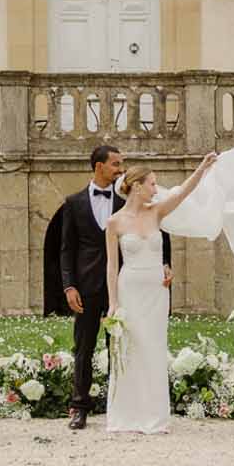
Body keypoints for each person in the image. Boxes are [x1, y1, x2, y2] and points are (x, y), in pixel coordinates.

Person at [103, 151, 219, 434]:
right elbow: (111, 265)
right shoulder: (114, 223)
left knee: (153, 349)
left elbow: (184, 192)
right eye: (152, 184)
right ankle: (127, 416)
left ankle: (154, 417)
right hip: (129, 288)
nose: (156, 189)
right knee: (130, 350)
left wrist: (202, 167)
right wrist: (113, 303)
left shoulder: (157, 211)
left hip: (156, 290)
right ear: (137, 185)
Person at [58, 144, 172, 430]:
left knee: (121, 348)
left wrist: (165, 263)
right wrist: (69, 285)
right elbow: (66, 249)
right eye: (115, 164)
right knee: (83, 346)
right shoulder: (74, 203)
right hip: (85, 287)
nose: (120, 169)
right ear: (99, 166)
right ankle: (79, 407)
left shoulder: (129, 201)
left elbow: (157, 230)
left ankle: (121, 406)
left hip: (125, 287)